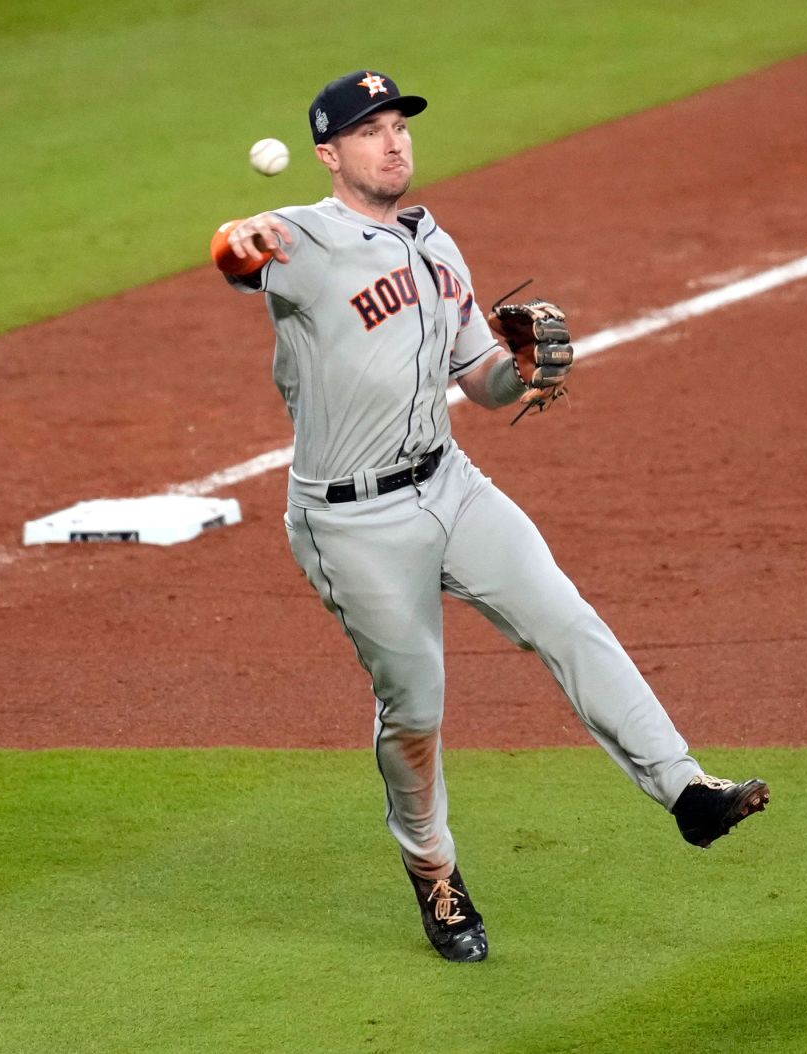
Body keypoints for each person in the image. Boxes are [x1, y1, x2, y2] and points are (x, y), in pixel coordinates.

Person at [213, 70, 768, 963]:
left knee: (567, 619)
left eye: (398, 125)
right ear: (330, 154)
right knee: (416, 709)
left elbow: (481, 380)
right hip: (352, 523)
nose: (393, 141)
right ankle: (434, 871)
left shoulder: (437, 245)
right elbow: (236, 257)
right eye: (370, 131)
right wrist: (245, 237)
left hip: (453, 483)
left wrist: (527, 368)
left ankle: (686, 790)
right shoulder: (305, 240)